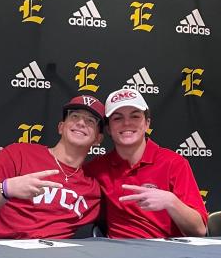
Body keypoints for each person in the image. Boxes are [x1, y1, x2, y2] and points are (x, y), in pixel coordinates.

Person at [0, 96, 104, 239]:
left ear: (98, 139)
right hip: (0, 253)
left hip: (53, 257)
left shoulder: (93, 190)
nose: (81, 123)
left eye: (90, 121)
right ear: (61, 127)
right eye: (74, 116)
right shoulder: (17, 154)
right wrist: (6, 189)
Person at [85, 88, 207, 239]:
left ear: (147, 123)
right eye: (117, 118)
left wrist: (171, 202)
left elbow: (199, 230)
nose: (127, 123)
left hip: (167, 255)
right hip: (118, 255)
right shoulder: (97, 168)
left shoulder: (174, 163)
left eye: (135, 116)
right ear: (109, 128)